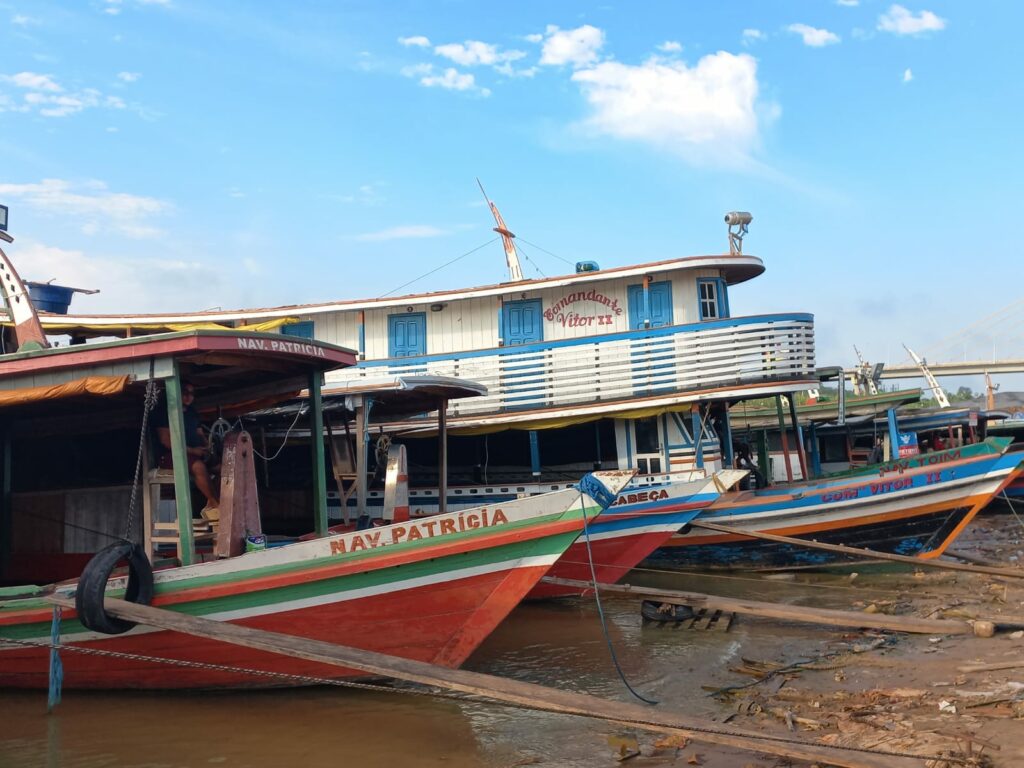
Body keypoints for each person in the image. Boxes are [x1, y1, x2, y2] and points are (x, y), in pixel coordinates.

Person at [152, 381, 220, 517]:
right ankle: (216, 505)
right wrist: (193, 451)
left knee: (223, 469)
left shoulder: (192, 412)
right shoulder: (163, 412)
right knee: (198, 466)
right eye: (185, 393)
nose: (189, 397)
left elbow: (200, 433)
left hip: (195, 453)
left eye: (192, 393)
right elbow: (166, 441)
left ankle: (211, 503)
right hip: (170, 456)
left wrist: (207, 446)